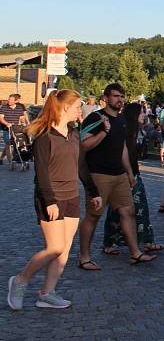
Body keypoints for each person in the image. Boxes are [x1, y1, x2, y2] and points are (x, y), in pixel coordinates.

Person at [7, 90, 98, 310]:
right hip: (51, 197)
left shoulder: (74, 133)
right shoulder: (45, 136)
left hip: (72, 196)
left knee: (65, 248)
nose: (80, 110)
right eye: (78, 105)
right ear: (65, 107)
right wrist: (49, 201)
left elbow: (81, 166)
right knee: (55, 247)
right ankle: (20, 280)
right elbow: (42, 173)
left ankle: (47, 293)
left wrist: (93, 191)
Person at [78, 83, 156, 270]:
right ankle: (84, 257)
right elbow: (84, 145)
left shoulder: (121, 120)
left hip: (119, 175)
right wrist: (104, 131)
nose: (119, 100)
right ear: (105, 98)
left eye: (122, 96)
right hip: (99, 174)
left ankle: (135, 253)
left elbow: (122, 149)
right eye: (115, 96)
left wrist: (129, 173)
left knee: (127, 212)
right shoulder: (95, 118)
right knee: (93, 216)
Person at [102, 102, 164, 253]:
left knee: (140, 207)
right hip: (123, 174)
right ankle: (110, 242)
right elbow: (124, 155)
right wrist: (129, 174)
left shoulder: (138, 130)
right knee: (118, 209)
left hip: (133, 173)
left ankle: (146, 240)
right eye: (142, 113)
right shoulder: (126, 131)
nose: (144, 115)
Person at [1, 94, 29, 166]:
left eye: (10, 100)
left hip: (16, 129)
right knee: (8, 144)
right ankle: (10, 162)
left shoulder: (19, 108)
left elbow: (22, 117)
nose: (8, 101)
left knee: (18, 144)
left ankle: (18, 158)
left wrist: (23, 122)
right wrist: (7, 123)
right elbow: (1, 118)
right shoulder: (4, 107)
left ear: (15, 101)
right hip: (6, 129)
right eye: (8, 99)